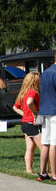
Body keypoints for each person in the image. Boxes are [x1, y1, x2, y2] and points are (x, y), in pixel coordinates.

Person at [13, 72, 43, 174]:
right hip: (33, 123)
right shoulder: (33, 92)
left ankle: (29, 170)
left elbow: (15, 107)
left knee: (30, 148)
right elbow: (30, 102)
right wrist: (35, 112)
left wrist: (25, 114)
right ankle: (45, 171)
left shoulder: (23, 93)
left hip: (25, 123)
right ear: (35, 81)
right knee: (44, 148)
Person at [37, 51, 56, 182]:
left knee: (45, 143)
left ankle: (43, 172)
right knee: (54, 143)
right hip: (55, 110)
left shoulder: (46, 73)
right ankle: (54, 174)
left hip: (45, 110)